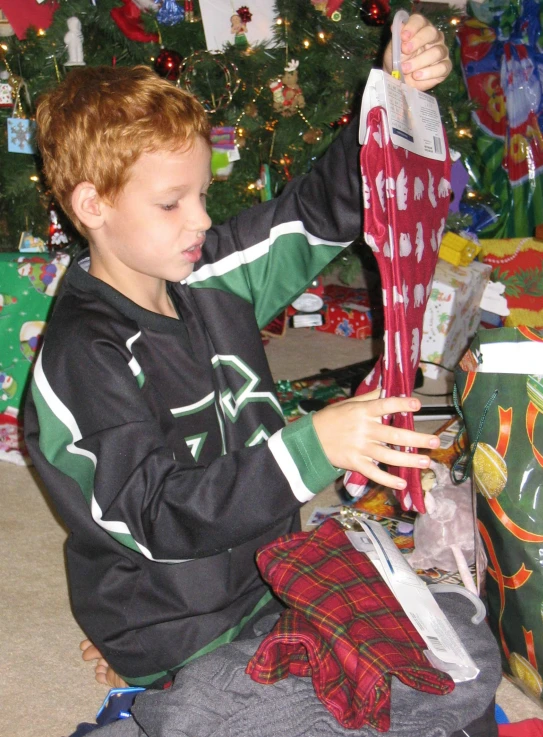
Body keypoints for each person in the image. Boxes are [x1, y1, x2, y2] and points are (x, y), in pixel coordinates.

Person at [25, 14, 451, 691]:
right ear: (92, 205)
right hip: (177, 621)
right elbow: (157, 515)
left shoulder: (207, 272)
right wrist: (310, 445)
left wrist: (390, 91)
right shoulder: (85, 357)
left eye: (201, 193)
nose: (201, 219)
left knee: (444, 640)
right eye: (172, 203)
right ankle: (151, 673)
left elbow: (314, 211)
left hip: (268, 574)